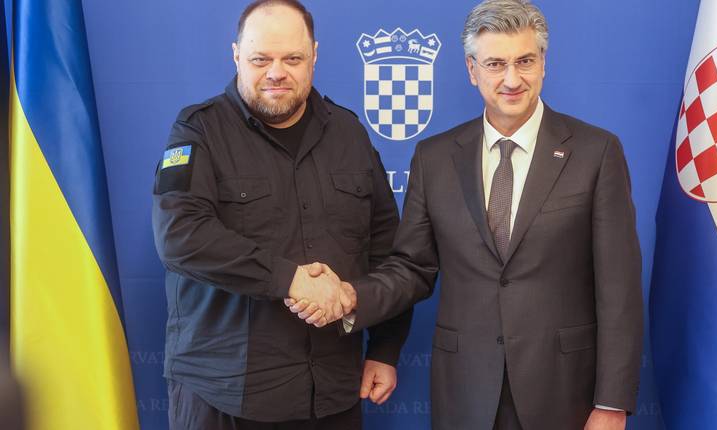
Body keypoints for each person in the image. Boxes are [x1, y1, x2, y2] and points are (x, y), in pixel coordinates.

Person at [290, 0, 643, 429]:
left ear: (543, 63)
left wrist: (612, 402)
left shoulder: (596, 152)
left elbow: (619, 288)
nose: (511, 79)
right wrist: (351, 297)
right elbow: (412, 269)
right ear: (472, 70)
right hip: (465, 391)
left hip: (565, 392)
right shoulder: (435, 158)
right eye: (495, 64)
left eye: (525, 61)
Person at [151, 1, 412, 429]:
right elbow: (180, 236)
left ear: (314, 56)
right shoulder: (198, 130)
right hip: (223, 394)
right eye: (261, 59)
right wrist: (290, 279)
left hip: (331, 392)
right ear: (236, 55)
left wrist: (385, 348)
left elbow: (389, 252)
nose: (276, 72)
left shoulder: (349, 134)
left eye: (292, 59)